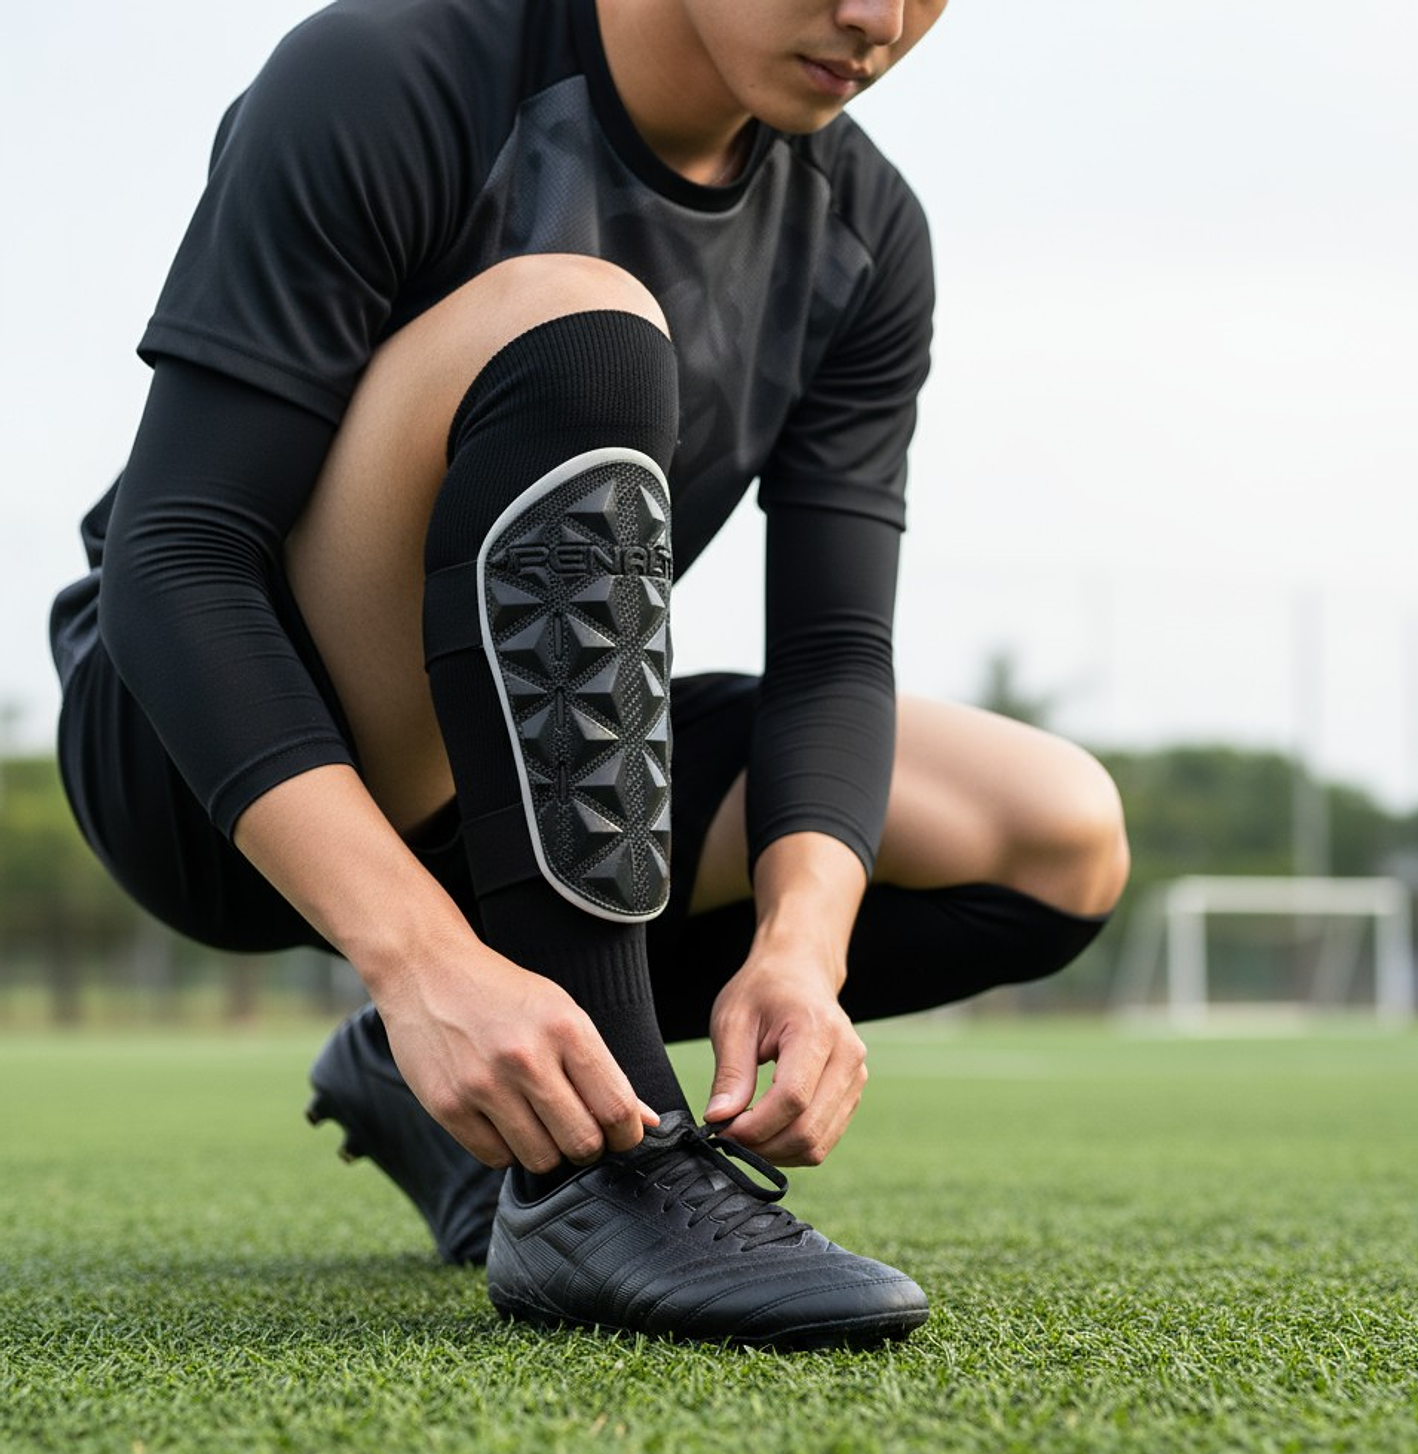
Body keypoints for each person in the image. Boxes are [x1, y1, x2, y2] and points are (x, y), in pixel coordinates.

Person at [50, 0, 1128, 1348]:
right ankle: (596, 1176)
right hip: (207, 751)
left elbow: (834, 655)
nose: (875, 16)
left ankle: (466, 1075)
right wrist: (418, 957)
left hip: (518, 759)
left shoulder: (864, 233)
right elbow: (178, 553)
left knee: (1055, 830)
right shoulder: (395, 74)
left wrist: (804, 951)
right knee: (578, 311)